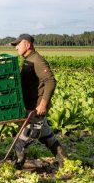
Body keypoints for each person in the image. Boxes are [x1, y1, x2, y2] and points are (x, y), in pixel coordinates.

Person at [10, 34, 67, 169]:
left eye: (18, 44)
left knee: (21, 142)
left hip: (37, 109)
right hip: (31, 107)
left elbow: (51, 81)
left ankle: (18, 165)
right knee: (46, 135)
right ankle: (64, 160)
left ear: (28, 45)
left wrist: (43, 104)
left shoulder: (37, 60)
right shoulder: (28, 59)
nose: (16, 47)